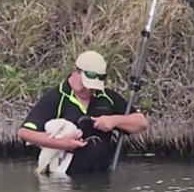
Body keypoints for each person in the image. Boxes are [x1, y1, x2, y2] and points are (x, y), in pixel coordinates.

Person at [17, 50, 148, 174]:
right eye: (85, 85)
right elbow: (24, 132)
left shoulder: (107, 97)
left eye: (92, 87)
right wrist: (62, 144)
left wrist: (114, 121)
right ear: (75, 71)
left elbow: (141, 122)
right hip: (63, 181)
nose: (88, 90)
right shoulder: (56, 98)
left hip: (100, 180)